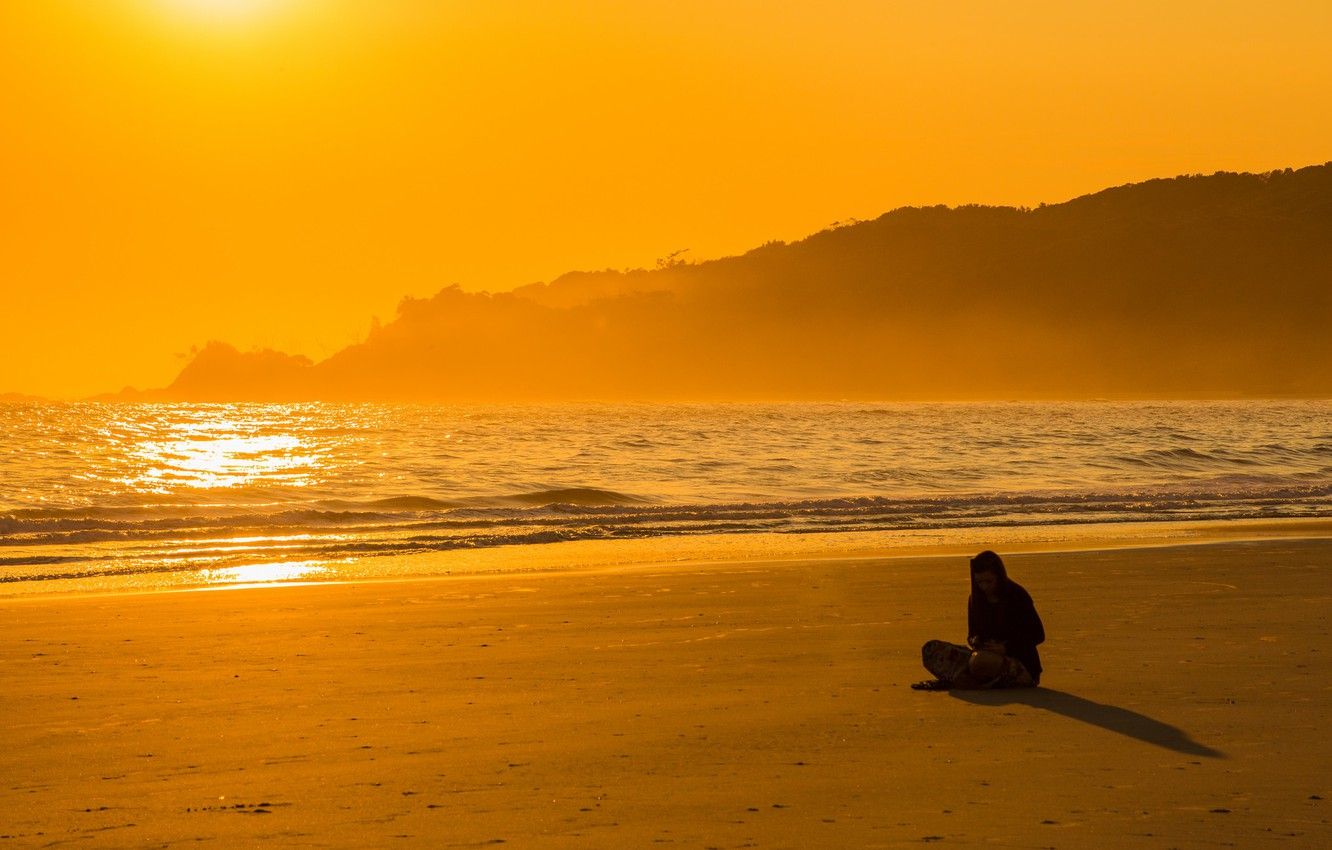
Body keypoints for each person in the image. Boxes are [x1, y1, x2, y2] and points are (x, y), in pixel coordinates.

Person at [912, 550, 1045, 690]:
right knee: (931, 650)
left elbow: (1038, 635)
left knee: (980, 662)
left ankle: (966, 680)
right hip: (983, 654)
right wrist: (976, 640)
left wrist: (1005, 648)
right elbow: (972, 634)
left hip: (1019, 664)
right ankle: (972, 679)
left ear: (999, 577)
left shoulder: (1017, 596)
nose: (985, 586)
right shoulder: (976, 599)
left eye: (989, 581)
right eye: (980, 582)